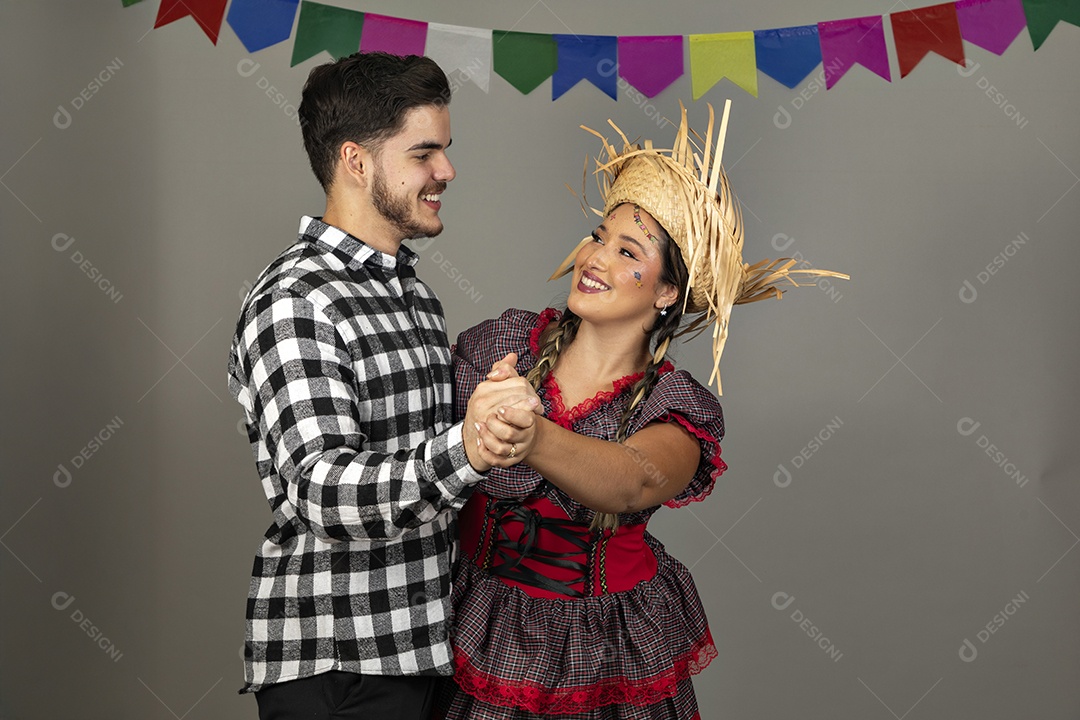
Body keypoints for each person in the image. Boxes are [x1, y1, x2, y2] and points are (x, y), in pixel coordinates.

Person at [439, 102, 847, 719]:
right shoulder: (502, 345)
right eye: (599, 236)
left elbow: (633, 481)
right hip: (475, 619)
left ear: (666, 291)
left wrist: (529, 433)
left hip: (605, 648)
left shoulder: (677, 407)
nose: (596, 258)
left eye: (629, 252)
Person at [227, 52, 538, 719]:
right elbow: (320, 489)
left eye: (445, 151)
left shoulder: (411, 293)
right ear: (357, 162)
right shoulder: (296, 301)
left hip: (425, 648)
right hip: (341, 666)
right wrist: (472, 448)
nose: (447, 172)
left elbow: (428, 471)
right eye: (424, 153)